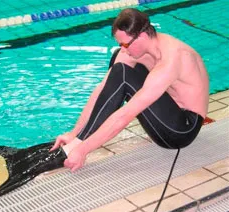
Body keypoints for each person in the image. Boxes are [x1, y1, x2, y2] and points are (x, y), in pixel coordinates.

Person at [50, 8, 209, 172]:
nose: (124, 49)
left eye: (125, 44)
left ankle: (79, 143)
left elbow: (125, 114)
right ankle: (79, 138)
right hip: (165, 115)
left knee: (123, 73)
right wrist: (74, 132)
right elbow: (103, 89)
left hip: (181, 130)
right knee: (119, 65)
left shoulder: (172, 59)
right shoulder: (136, 50)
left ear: (142, 36)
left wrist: (83, 150)